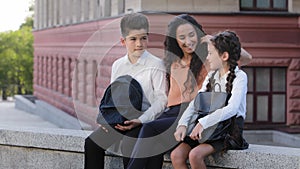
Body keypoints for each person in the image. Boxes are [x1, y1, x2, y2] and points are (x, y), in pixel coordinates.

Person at [126, 15, 251, 169]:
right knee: (148, 140)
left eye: (192, 35)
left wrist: (215, 40)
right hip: (172, 114)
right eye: (182, 37)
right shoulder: (172, 61)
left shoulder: (209, 58)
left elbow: (244, 57)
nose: (188, 40)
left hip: (194, 113)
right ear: (175, 40)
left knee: (149, 129)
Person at [84, 12, 168, 169]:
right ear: (123, 41)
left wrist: (140, 120)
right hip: (120, 120)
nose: (139, 44)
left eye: (144, 38)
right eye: (133, 39)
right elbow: (112, 97)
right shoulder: (118, 65)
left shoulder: (156, 64)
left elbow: (161, 100)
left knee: (129, 145)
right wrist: (105, 118)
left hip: (144, 122)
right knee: (91, 143)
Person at [171, 30, 248, 169]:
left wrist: (203, 123)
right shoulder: (211, 75)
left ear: (224, 56)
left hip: (228, 130)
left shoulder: (240, 77)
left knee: (195, 155)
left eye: (211, 53)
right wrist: (182, 124)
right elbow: (196, 104)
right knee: (176, 155)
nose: (207, 57)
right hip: (208, 128)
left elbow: (232, 109)